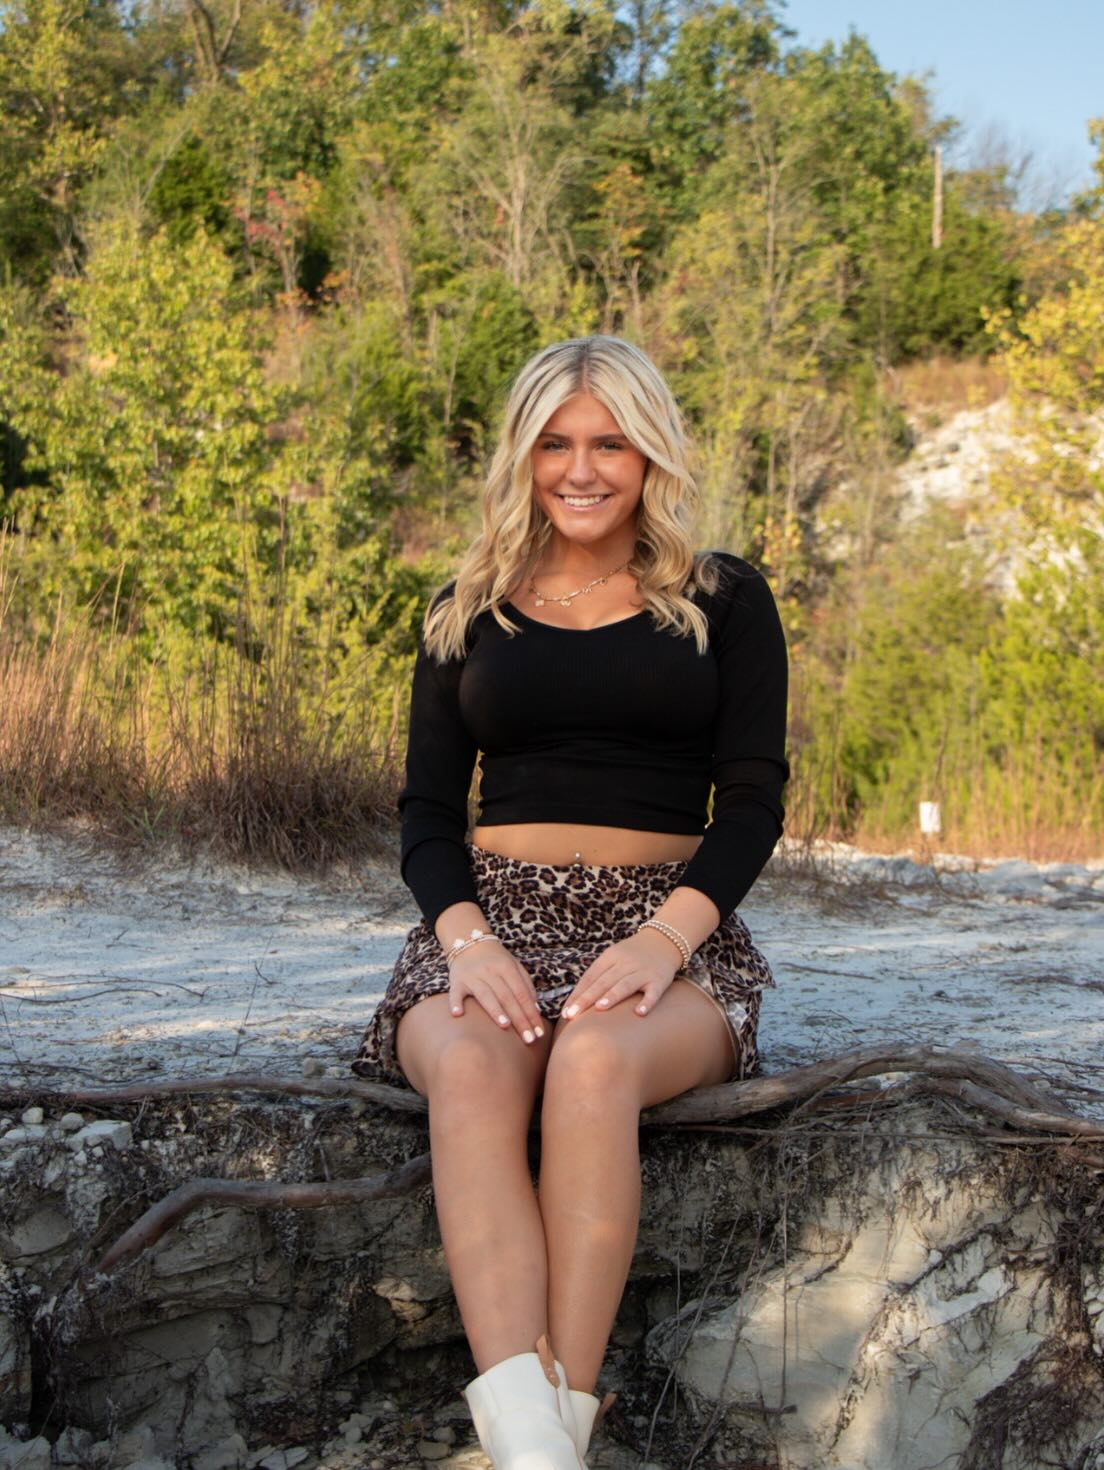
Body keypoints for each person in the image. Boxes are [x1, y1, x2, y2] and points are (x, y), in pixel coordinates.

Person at [353, 335, 788, 1470]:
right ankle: (538, 1450)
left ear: (651, 455)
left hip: (669, 932)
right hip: (488, 925)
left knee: (593, 1064)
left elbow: (751, 802)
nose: (581, 469)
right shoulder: (466, 607)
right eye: (554, 443)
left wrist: (664, 939)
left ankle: (552, 1426)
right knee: (470, 1065)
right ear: (522, 454)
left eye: (609, 443)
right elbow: (426, 814)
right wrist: (467, 944)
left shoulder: (723, 597)